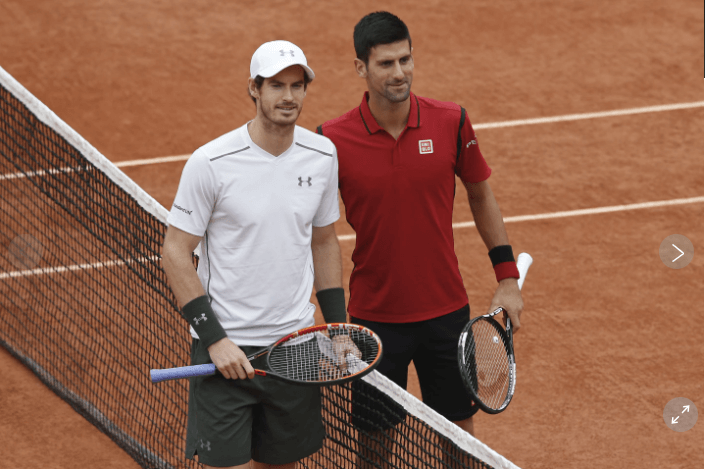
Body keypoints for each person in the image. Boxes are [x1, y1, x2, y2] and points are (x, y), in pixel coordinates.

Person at [316, 11, 524, 439]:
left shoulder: (451, 121)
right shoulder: (330, 142)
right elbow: (317, 236)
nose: (400, 73)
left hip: (447, 313)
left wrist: (507, 279)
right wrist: (336, 324)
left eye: (405, 60)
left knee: (459, 441)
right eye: (386, 63)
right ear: (361, 68)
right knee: (375, 444)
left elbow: (481, 194)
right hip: (374, 319)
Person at [162, 40, 347, 469]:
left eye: (297, 86)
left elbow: (323, 240)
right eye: (277, 85)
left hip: (294, 347)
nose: (288, 97)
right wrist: (215, 340)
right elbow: (175, 251)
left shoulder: (322, 155)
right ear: (254, 89)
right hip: (226, 351)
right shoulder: (211, 162)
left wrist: (337, 328)